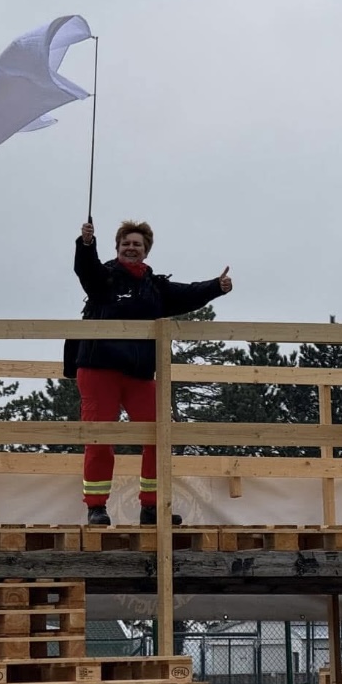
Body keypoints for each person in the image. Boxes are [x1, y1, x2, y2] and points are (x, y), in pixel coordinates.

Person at [67, 219, 232, 526]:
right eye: (126, 243)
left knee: (160, 434)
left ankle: (152, 507)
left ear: (146, 251)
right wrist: (86, 244)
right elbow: (86, 270)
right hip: (99, 369)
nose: (131, 248)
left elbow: (186, 294)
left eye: (137, 245)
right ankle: (96, 507)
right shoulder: (104, 278)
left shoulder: (154, 287)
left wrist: (216, 287)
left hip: (139, 373)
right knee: (100, 439)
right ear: (117, 248)